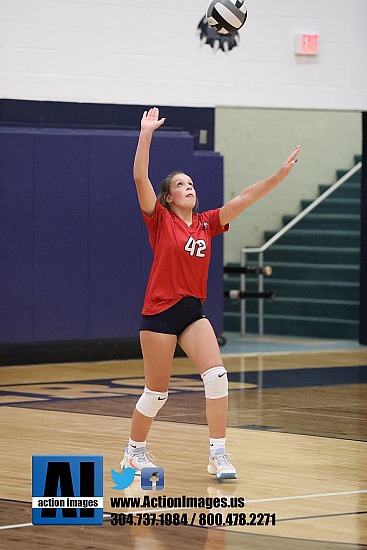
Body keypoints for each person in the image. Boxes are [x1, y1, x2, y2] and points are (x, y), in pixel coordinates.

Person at [121, 107, 300, 480]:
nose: (190, 188)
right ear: (168, 198)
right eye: (181, 185)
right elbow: (140, 175)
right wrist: (146, 133)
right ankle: (133, 452)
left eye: (191, 184)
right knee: (157, 393)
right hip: (158, 314)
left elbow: (245, 199)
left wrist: (278, 177)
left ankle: (218, 454)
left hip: (191, 311)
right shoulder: (160, 220)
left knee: (217, 375)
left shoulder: (207, 224)